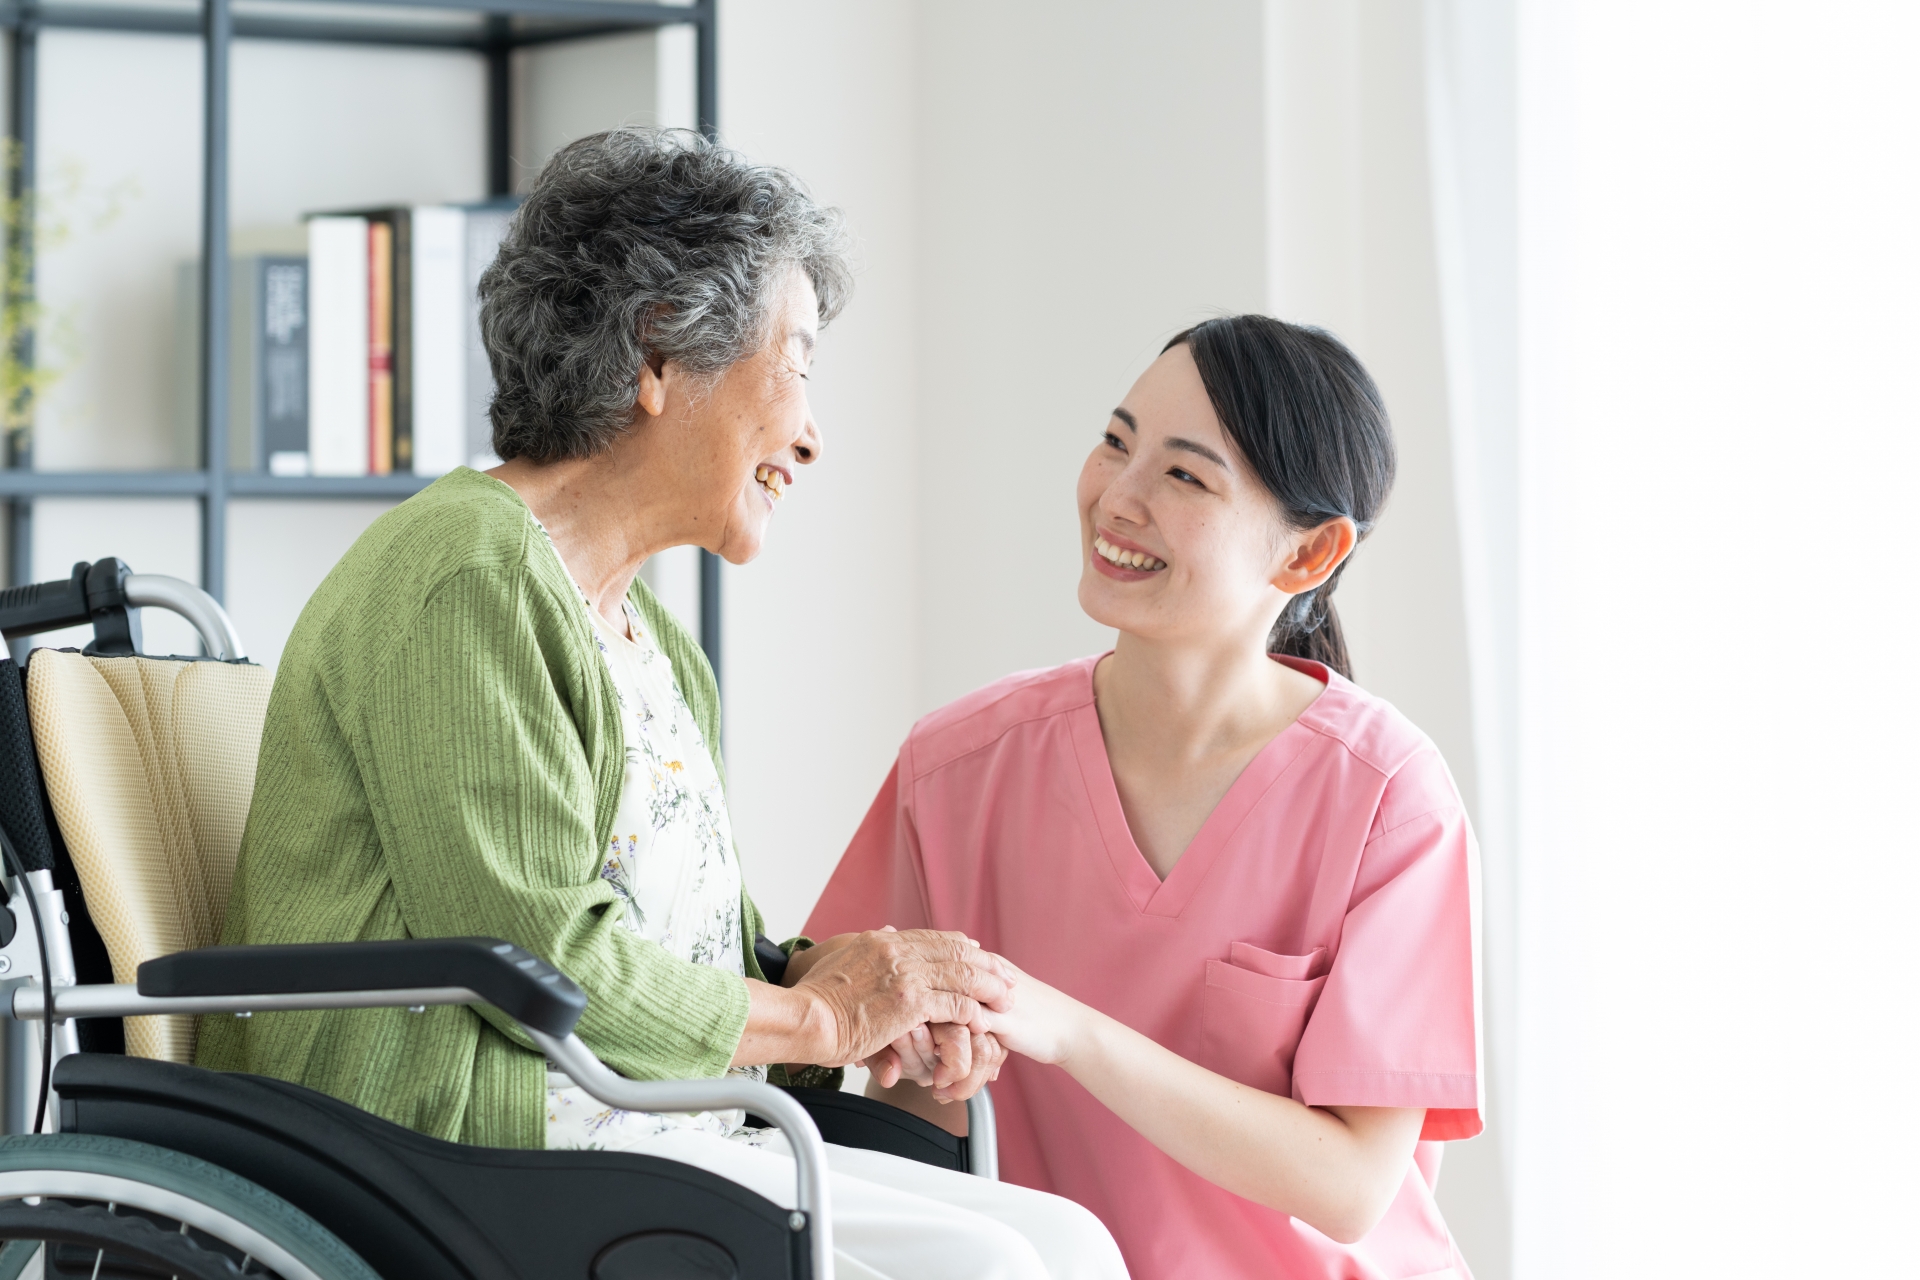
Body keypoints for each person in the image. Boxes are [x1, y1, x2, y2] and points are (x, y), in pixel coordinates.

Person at [199, 129, 1126, 1280]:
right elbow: (540, 954)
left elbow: (697, 957)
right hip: (460, 1156)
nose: (812, 432)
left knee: (1068, 1241)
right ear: (658, 350)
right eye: (795, 364)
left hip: (649, 1137)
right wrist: (823, 1019)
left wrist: (866, 1000)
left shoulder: (659, 645)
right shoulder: (465, 575)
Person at [805, 316, 1481, 1279]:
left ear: (1307, 555)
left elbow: (1353, 1184)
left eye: (1184, 475)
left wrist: (1067, 1029)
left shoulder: (1389, 799)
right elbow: (896, 1108)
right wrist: (920, 1052)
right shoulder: (955, 768)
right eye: (1117, 443)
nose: (1117, 498)